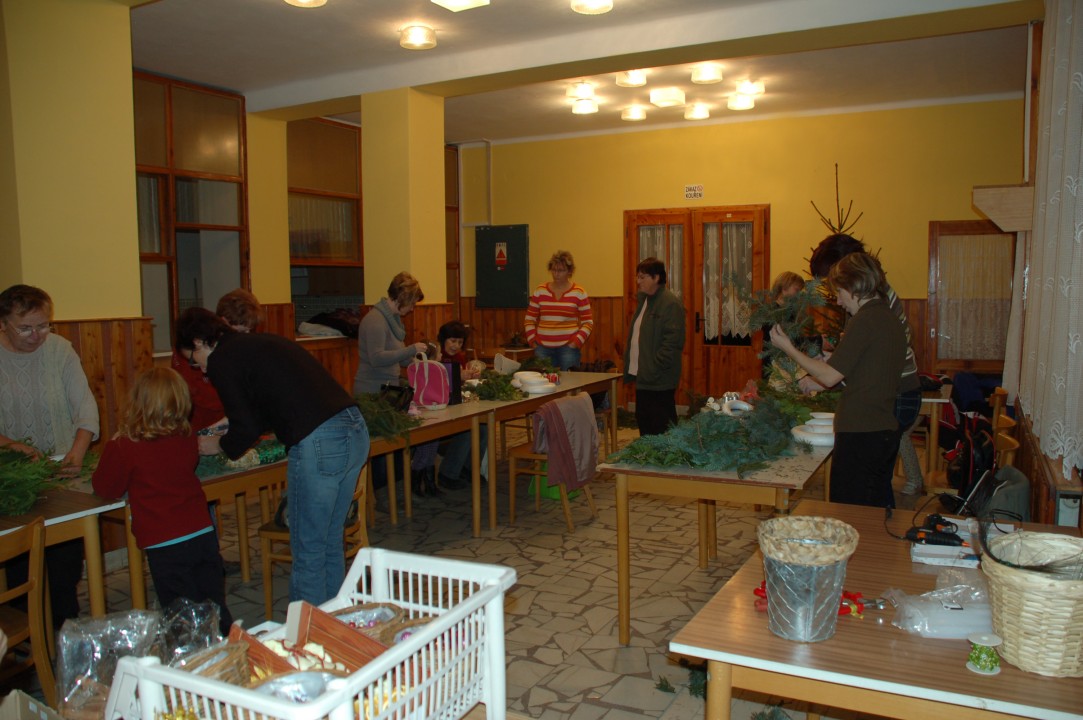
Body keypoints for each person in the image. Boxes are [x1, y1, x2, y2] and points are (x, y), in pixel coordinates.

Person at [176, 308, 369, 607]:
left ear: (200, 342)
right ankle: (332, 622)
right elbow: (265, 406)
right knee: (329, 540)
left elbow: (247, 427)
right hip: (354, 429)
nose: (200, 370)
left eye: (193, 359)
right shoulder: (255, 344)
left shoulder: (221, 359)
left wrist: (219, 445)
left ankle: (307, 632)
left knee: (307, 549)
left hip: (319, 440)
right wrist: (226, 426)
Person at [92, 367, 234, 635]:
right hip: (202, 532)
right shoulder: (186, 437)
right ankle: (229, 647)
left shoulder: (125, 445)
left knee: (180, 613)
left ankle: (192, 656)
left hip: (164, 543)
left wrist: (113, 444)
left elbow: (105, 487)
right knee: (213, 604)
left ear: (137, 402)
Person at [771, 253, 906, 508]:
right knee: (874, 508)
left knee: (850, 512)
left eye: (841, 292)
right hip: (880, 431)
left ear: (856, 286)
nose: (839, 301)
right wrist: (825, 364)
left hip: (861, 432)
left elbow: (830, 376)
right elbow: (866, 371)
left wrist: (788, 347)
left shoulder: (864, 319)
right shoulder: (888, 317)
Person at [0, 284, 99, 626]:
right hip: (15, 482)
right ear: (3, 324)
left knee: (64, 566)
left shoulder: (60, 350)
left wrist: (77, 453)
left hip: (62, 475)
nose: (36, 336)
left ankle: (63, 629)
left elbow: (85, 408)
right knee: (21, 566)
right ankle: (30, 638)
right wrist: (12, 446)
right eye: (25, 328)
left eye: (43, 325)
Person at [808, 233, 924, 494]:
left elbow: (877, 351)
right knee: (875, 479)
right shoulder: (867, 300)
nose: (835, 295)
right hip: (891, 388)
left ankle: (905, 487)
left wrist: (834, 364)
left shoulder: (871, 303)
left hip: (896, 389)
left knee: (869, 478)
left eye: (834, 280)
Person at [352, 272, 428, 508]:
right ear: (403, 298)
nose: (413, 309)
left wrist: (416, 362)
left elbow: (397, 357)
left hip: (390, 389)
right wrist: (410, 350)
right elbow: (377, 358)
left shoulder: (393, 320)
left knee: (396, 445)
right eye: (412, 303)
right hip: (373, 392)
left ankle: (398, 493)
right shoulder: (374, 320)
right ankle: (384, 498)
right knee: (382, 447)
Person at [170, 288, 262, 434]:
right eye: (241, 331)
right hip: (201, 422)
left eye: (250, 331)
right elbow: (189, 391)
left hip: (229, 420)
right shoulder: (191, 349)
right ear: (224, 322)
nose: (245, 337)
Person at [413, 321, 488, 494]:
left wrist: (468, 376)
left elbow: (458, 386)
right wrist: (457, 376)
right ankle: (448, 473)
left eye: (460, 342)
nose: (456, 346)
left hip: (453, 405)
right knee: (468, 428)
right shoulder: (432, 358)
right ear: (443, 340)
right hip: (437, 410)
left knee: (483, 427)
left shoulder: (459, 358)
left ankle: (467, 468)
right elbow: (435, 383)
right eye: (452, 341)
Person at [622, 257, 686, 436]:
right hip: (643, 377)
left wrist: (653, 368)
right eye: (637, 277)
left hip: (659, 380)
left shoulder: (670, 304)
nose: (638, 281)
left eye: (642, 277)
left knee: (661, 428)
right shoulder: (645, 301)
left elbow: (672, 344)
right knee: (645, 424)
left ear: (656, 278)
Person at [524, 250, 593, 371]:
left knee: (570, 381)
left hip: (568, 349)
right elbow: (529, 319)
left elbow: (588, 322)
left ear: (569, 271)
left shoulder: (579, 292)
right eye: (554, 270)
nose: (556, 274)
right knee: (542, 380)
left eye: (561, 270)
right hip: (542, 348)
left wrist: (576, 342)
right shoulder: (540, 291)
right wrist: (533, 341)